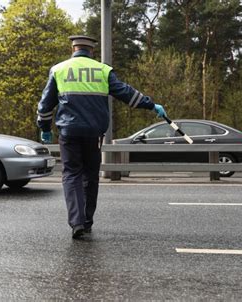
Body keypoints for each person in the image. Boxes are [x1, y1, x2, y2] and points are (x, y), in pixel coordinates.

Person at [37, 35, 167, 239]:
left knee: (71, 175)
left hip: (69, 133)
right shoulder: (103, 70)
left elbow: (45, 105)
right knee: (90, 175)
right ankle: (87, 221)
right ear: (92, 51)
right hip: (94, 133)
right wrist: (151, 105)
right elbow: (127, 94)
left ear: (73, 49)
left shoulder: (59, 69)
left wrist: (44, 127)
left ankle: (76, 222)